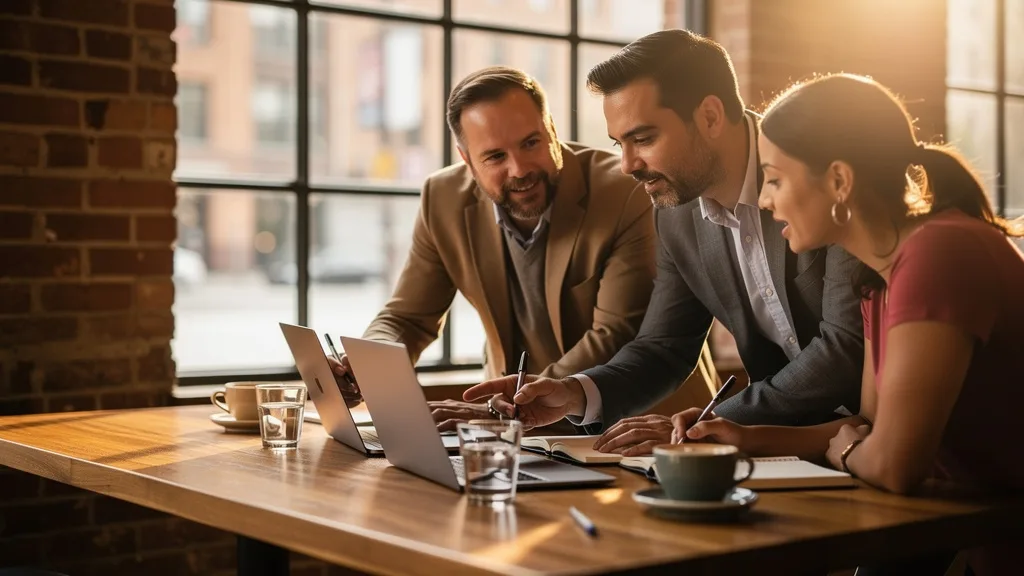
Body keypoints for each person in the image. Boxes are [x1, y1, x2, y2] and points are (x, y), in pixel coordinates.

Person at [679, 73, 1024, 576]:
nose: (767, 199)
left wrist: (852, 450)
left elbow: (890, 464)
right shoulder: (879, 281)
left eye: (774, 178)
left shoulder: (939, 253)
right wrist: (741, 438)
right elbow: (865, 431)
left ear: (839, 181)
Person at [463, 30, 864, 454]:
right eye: (619, 144)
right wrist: (575, 393)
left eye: (643, 139)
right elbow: (665, 347)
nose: (627, 165)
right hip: (788, 453)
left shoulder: (817, 176)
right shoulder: (675, 212)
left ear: (710, 117)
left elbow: (843, 348)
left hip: (881, 437)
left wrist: (715, 421)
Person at [329, 66, 692, 432]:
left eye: (531, 143)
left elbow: (614, 335)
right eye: (495, 157)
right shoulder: (442, 199)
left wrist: (507, 410)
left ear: (551, 129)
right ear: (467, 159)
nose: (519, 169)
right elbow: (407, 319)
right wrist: (367, 363)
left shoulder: (625, 192)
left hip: (636, 428)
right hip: (511, 431)